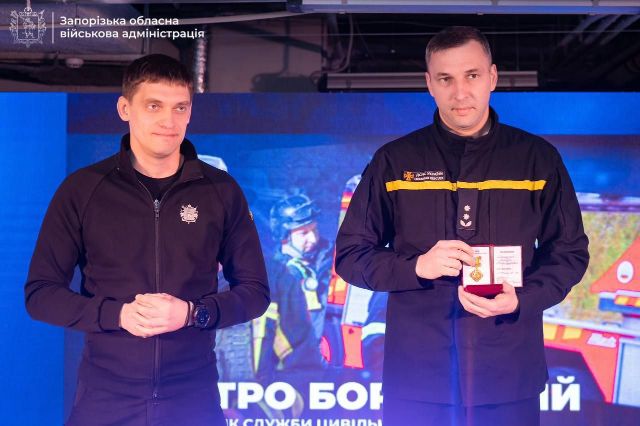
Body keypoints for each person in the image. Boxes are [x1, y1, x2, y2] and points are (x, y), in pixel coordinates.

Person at [335, 26, 589, 426]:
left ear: (492, 77)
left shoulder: (537, 160)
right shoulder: (395, 161)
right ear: (429, 84)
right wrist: (417, 267)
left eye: (471, 76)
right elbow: (351, 256)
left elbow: (569, 253)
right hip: (418, 378)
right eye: (445, 79)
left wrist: (522, 299)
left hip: (508, 374)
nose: (460, 92)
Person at [24, 54, 270, 426]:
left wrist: (192, 313)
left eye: (179, 107)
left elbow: (255, 292)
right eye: (154, 106)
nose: (168, 121)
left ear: (190, 112)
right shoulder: (83, 190)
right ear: (125, 109)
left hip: (193, 398)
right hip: (105, 400)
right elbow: (40, 294)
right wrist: (118, 315)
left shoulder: (221, 191)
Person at [253, 193, 331, 414]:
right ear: (284, 236)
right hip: (293, 372)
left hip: (333, 365)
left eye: (314, 230)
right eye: (303, 233)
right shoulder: (274, 276)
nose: (313, 238)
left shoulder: (331, 263)